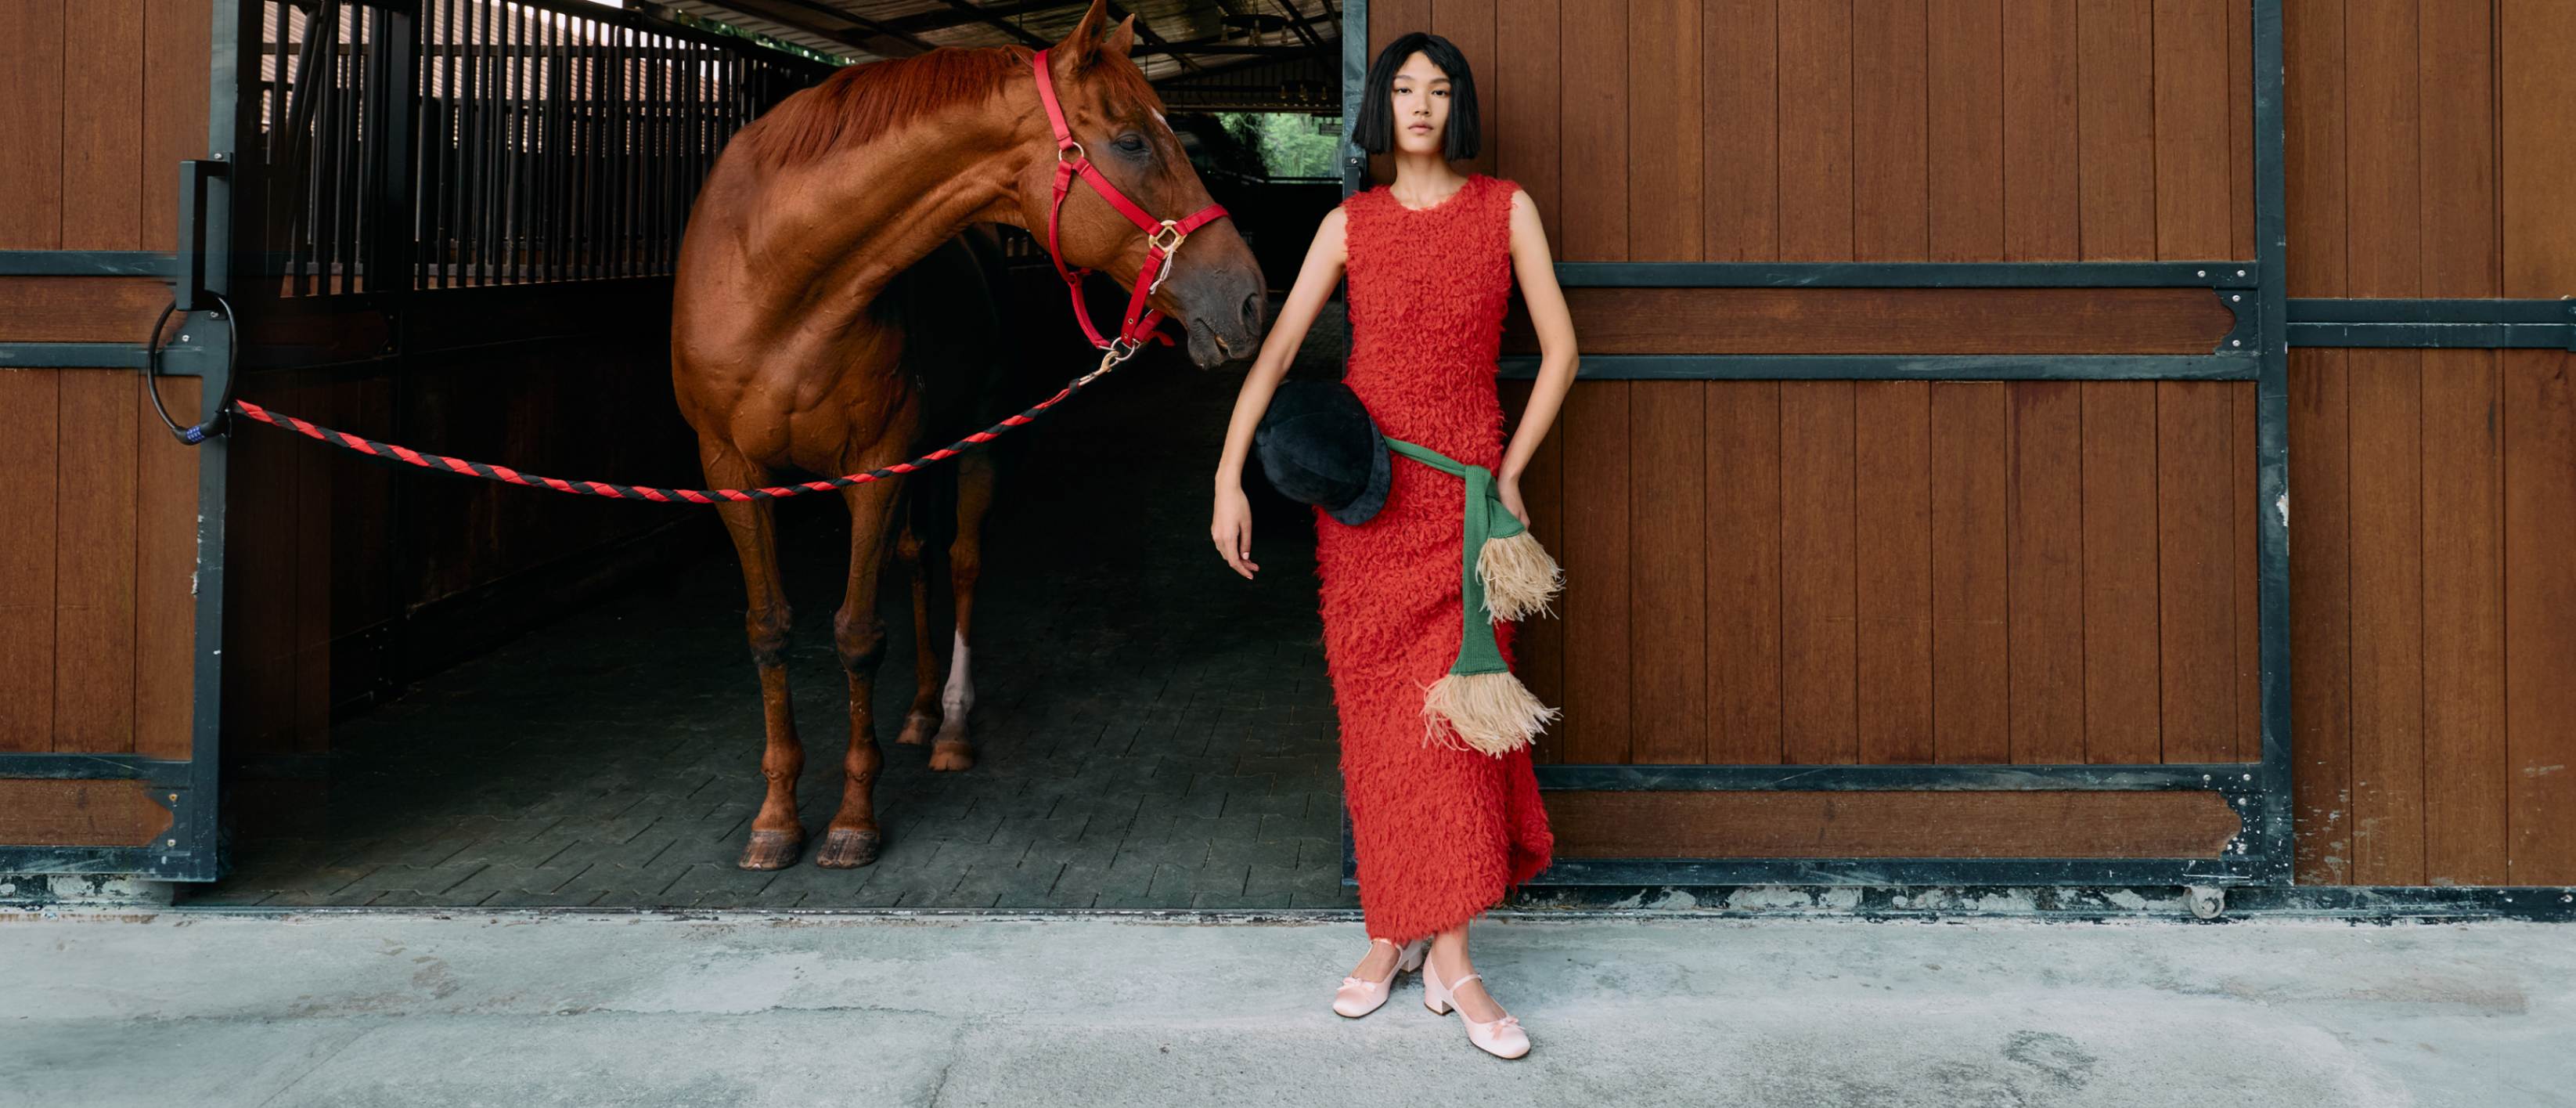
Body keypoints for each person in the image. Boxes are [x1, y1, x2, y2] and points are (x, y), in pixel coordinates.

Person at [1207, 31, 1580, 1060]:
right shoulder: (1349, 225)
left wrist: (1509, 473)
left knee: (1454, 728)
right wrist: (1229, 477)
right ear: (1381, 107)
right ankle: (1391, 929)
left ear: (1458, 107)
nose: (1420, 104)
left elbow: (1562, 351)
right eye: (1404, 88)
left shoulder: (1506, 210)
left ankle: (1451, 956)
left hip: (1465, 516)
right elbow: (1278, 352)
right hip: (1367, 515)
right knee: (1379, 731)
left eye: (1439, 89)